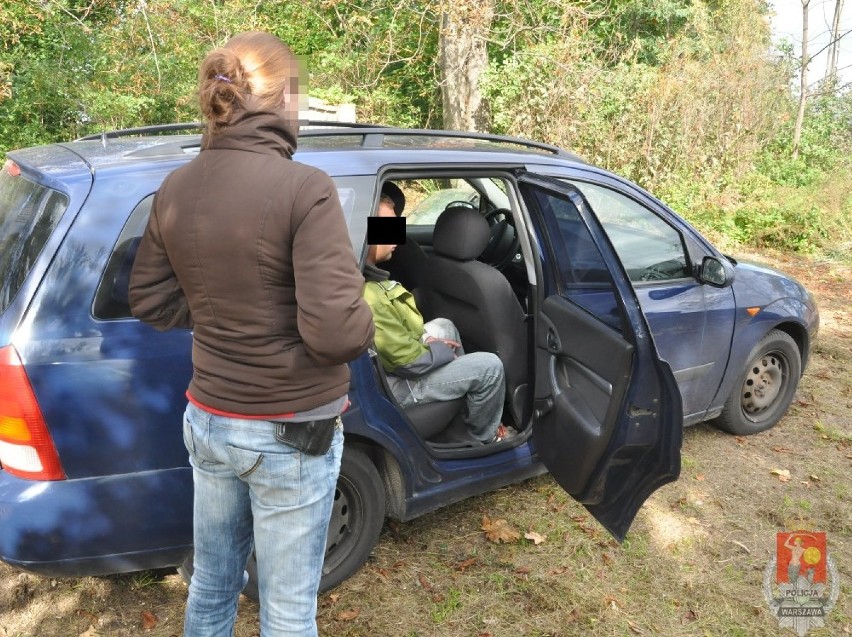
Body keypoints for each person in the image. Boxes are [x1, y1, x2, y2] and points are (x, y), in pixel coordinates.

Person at [129, 32, 374, 637]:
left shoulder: (175, 187)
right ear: (284, 98)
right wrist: (371, 309)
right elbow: (338, 333)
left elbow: (151, 300)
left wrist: (227, 317)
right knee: (287, 611)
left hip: (209, 419)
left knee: (212, 583)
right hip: (290, 429)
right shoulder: (305, 187)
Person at [363, 190, 511, 444]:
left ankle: (464, 408)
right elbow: (406, 364)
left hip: (392, 367)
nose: (397, 237)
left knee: (446, 326)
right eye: (387, 227)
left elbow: (398, 345)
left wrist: (431, 345)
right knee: (490, 368)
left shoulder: (366, 277)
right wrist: (440, 351)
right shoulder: (370, 294)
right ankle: (481, 436)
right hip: (398, 385)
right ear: (365, 235)